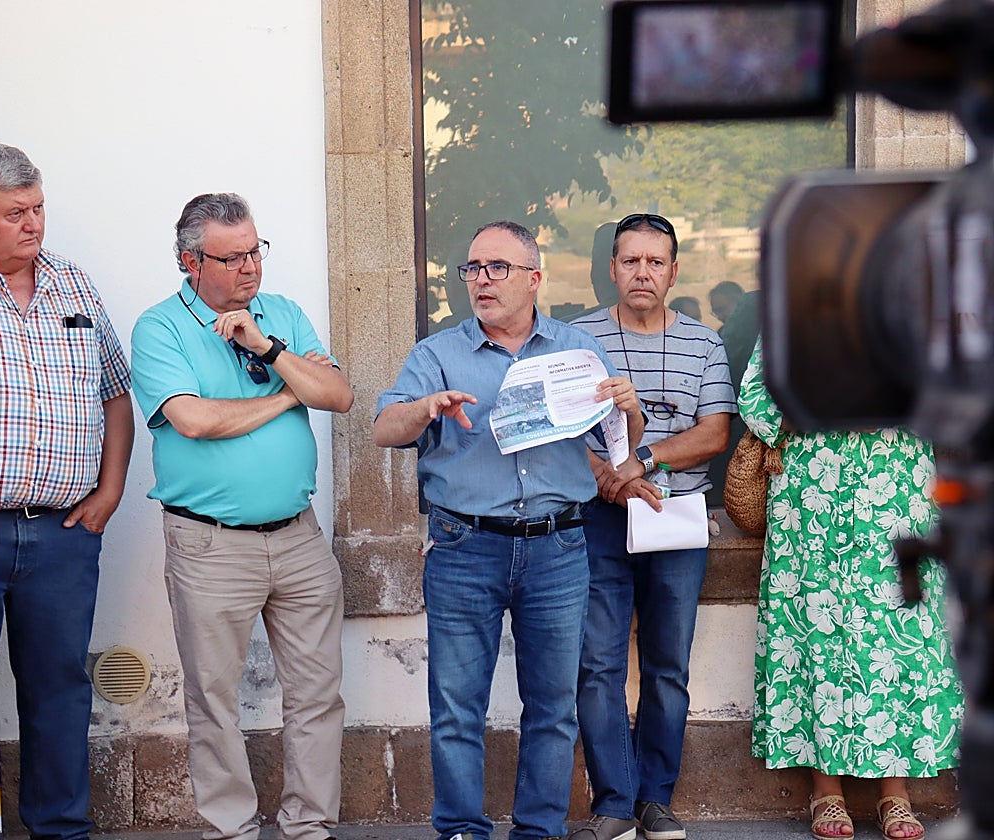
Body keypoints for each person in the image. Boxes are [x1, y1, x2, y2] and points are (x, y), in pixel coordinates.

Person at [374, 220, 645, 840]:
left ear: (534, 279)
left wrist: (628, 410)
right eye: (473, 268)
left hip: (559, 547)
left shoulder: (577, 351)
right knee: (456, 710)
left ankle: (537, 832)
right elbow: (384, 430)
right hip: (464, 548)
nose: (482, 280)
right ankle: (463, 831)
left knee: (553, 709)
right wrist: (425, 407)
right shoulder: (437, 353)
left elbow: (620, 450)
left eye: (498, 268)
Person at [130, 193, 354, 840]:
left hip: (299, 538)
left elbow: (338, 395)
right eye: (231, 258)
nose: (249, 268)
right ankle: (231, 831)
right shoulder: (160, 329)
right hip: (210, 544)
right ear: (189, 261)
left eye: (255, 251)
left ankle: (309, 827)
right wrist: (290, 394)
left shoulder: (279, 314)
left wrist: (269, 346)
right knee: (213, 702)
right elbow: (193, 420)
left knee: (317, 695)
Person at [0, 142, 134, 840]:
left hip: (65, 532)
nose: (33, 224)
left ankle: (61, 828)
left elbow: (116, 396)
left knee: (59, 690)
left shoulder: (74, 283)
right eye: (14, 213)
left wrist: (110, 491)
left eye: (37, 208)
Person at [738, 340, 963, 840]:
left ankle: (896, 792)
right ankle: (826, 789)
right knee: (817, 632)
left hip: (898, 497)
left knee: (900, 634)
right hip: (813, 503)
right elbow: (754, 395)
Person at [569, 213, 736, 840]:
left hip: (677, 522)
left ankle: (655, 799)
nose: (643, 272)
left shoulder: (705, 343)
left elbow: (715, 433)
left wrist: (638, 462)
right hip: (597, 520)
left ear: (673, 271)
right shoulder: (573, 338)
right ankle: (613, 803)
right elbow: (556, 431)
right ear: (611, 269)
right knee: (598, 664)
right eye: (630, 260)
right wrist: (605, 477)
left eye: (655, 261)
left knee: (669, 665)